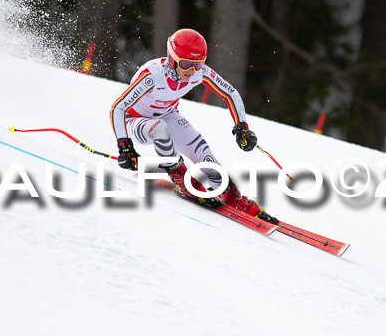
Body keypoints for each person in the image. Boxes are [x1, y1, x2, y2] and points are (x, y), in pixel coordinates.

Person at [110, 28, 277, 224]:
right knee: (159, 128)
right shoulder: (153, 75)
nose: (192, 71)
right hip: (135, 121)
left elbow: (230, 93)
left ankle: (233, 197)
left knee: (203, 154)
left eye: (198, 64)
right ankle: (181, 178)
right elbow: (118, 108)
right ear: (172, 59)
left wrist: (242, 127)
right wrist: (125, 146)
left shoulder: (199, 73)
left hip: (169, 115)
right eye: (186, 64)